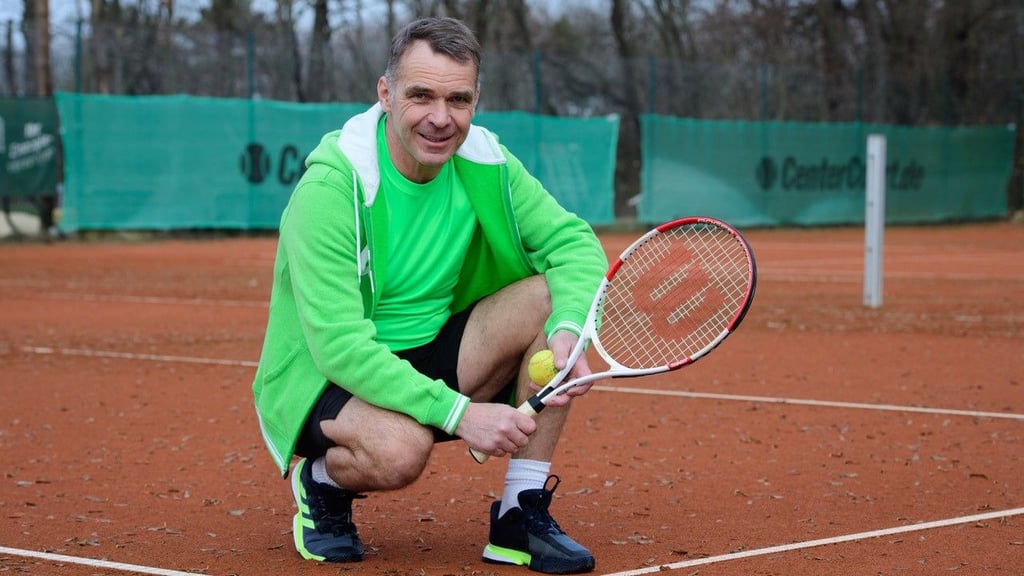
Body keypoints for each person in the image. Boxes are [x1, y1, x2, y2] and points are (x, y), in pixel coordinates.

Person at [251, 16, 607, 575]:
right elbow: (341, 345)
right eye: (421, 96)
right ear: (386, 94)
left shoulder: (486, 162)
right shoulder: (330, 188)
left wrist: (568, 326)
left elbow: (573, 242)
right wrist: (462, 414)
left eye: (458, 100)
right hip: (330, 375)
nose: (441, 119)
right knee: (400, 451)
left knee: (548, 295)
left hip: (434, 347)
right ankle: (319, 483)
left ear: (475, 100)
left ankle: (519, 512)